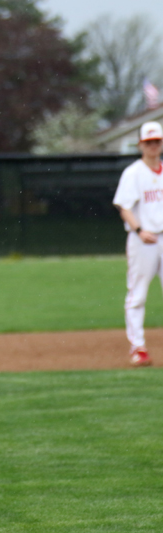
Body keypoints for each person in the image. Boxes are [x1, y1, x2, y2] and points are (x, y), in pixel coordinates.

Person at [113, 120, 163, 367]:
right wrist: (140, 229)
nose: (153, 145)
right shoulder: (133, 172)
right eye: (149, 142)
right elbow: (124, 207)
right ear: (141, 144)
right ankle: (138, 347)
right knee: (138, 294)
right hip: (143, 240)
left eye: (157, 141)